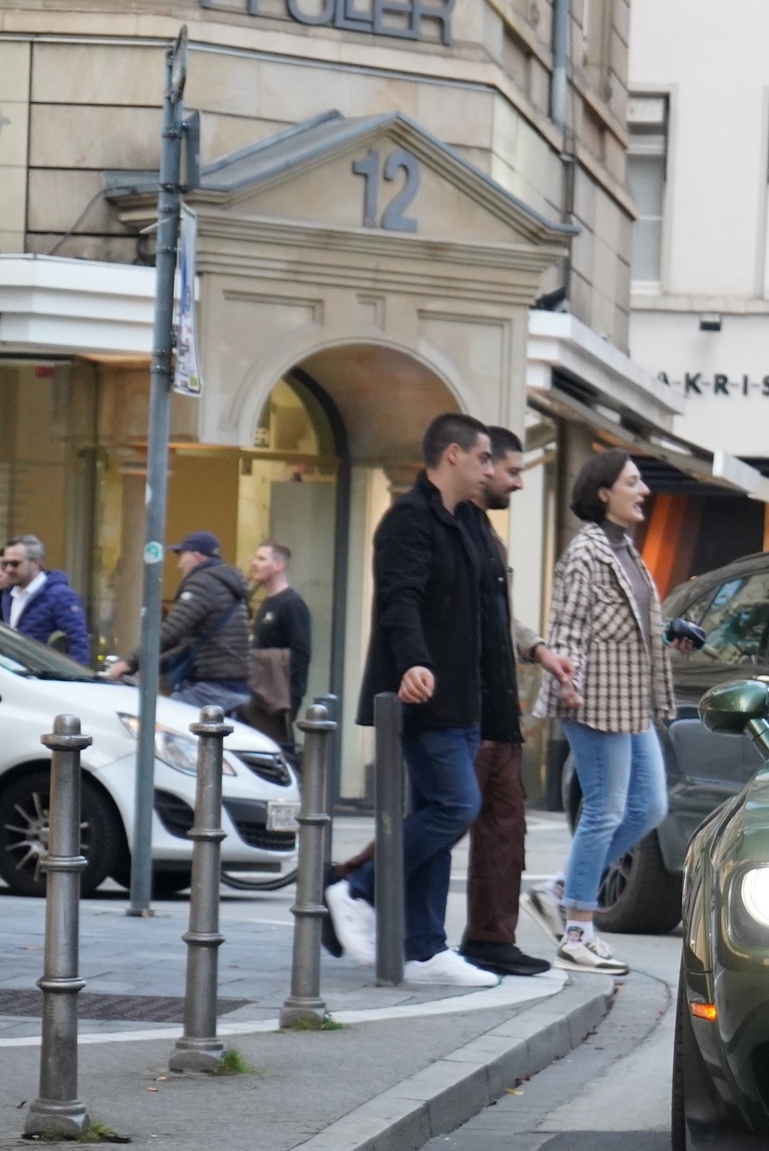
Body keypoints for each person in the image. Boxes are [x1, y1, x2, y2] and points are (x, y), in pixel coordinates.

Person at [324, 414, 507, 989]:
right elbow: (398, 600)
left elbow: (486, 614)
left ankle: (425, 949)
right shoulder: (410, 518)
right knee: (456, 807)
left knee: (441, 817)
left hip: (470, 700)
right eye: (483, 458)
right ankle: (356, 890)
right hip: (425, 697)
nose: (490, 470)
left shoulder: (472, 522)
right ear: (452, 455)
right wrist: (413, 662)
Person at [528, 449, 681, 975]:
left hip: (632, 702)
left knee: (650, 807)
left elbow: (629, 626)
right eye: (632, 482)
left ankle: (564, 888)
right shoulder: (587, 552)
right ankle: (578, 930)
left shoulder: (627, 552)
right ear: (603, 493)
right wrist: (570, 682)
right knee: (605, 811)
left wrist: (668, 638)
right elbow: (568, 625)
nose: (642, 491)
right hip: (594, 702)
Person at [458, 426, 577, 977]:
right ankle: (356, 886)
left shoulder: (486, 533)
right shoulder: (450, 526)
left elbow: (501, 620)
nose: (516, 483)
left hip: (499, 708)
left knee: (506, 829)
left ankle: (490, 939)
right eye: (510, 471)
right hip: (468, 707)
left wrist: (537, 648)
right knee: (444, 817)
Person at [106, 532, 252, 711]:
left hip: (211, 688)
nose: (178, 565)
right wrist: (149, 665)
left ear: (196, 556)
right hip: (232, 685)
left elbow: (171, 630)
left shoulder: (204, 583)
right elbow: (188, 646)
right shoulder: (226, 585)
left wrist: (130, 662)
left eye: (182, 556)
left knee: (161, 720)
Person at [244, 541, 311, 749]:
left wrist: (292, 700)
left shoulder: (291, 604)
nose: (254, 564)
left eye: (261, 559)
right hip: (259, 697)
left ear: (278, 565)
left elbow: (301, 654)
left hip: (278, 702)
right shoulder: (266, 604)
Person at [0, 537, 91, 663]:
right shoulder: (9, 594)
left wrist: (74, 680)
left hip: (44, 676)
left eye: (15, 564)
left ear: (35, 563)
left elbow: (78, 642)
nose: (8, 569)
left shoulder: (60, 595)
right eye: (5, 564)